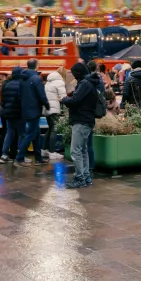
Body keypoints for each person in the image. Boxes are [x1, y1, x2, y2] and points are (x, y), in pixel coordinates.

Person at [62, 60, 105, 188]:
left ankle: (80, 178)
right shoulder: (89, 82)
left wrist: (64, 99)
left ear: (78, 72)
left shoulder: (84, 83)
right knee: (83, 150)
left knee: (75, 151)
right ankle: (86, 177)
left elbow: (75, 100)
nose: (73, 76)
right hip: (87, 120)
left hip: (81, 120)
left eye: (74, 73)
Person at [15, 58, 49, 167]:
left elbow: (19, 95)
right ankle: (19, 158)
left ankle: (38, 158)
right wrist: (47, 105)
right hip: (34, 110)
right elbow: (41, 95)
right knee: (30, 134)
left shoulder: (22, 78)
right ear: (36, 66)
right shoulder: (36, 78)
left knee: (36, 134)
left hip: (26, 109)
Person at [0, 67, 23, 164]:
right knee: (21, 134)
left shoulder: (6, 85)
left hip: (8, 112)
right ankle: (20, 155)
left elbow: (3, 100)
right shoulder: (22, 85)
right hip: (19, 113)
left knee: (9, 133)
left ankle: (4, 155)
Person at [43, 71, 65, 159]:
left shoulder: (48, 82)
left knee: (50, 129)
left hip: (47, 108)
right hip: (54, 108)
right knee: (54, 130)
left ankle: (44, 150)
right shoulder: (60, 82)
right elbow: (63, 97)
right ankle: (52, 152)